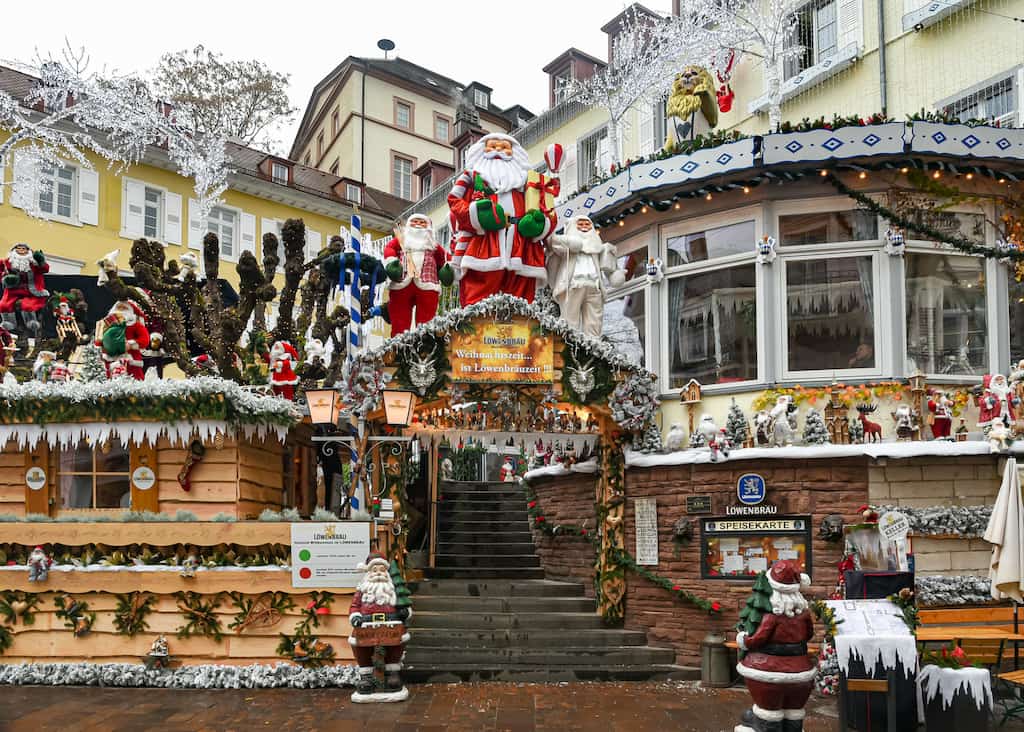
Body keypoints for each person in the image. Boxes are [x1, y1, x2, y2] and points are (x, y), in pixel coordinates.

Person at [447, 133, 556, 306]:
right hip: (483, 245)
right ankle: (478, 322)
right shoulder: (471, 177)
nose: (498, 150)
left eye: (505, 147)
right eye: (492, 146)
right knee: (478, 297)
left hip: (521, 248)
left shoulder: (529, 181)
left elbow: (548, 210)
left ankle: (519, 321)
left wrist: (540, 225)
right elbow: (454, 201)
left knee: (521, 301)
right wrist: (477, 215)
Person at [736, 560, 818, 732]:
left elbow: (758, 639)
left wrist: (743, 640)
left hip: (768, 671)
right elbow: (809, 634)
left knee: (769, 711)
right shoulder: (804, 613)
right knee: (794, 710)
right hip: (801, 671)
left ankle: (767, 726)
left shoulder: (772, 616)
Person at [546, 215, 621, 337]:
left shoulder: (597, 247)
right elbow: (551, 242)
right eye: (580, 225)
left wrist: (616, 274)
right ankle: (569, 344)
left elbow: (609, 266)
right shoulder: (566, 247)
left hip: (594, 287)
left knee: (594, 323)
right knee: (570, 321)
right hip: (573, 285)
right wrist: (571, 242)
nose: (584, 227)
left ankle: (594, 345)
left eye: (587, 224)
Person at [348, 552, 411, 697]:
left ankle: (392, 673)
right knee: (359, 643)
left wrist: (404, 612)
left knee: (396, 643)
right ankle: (366, 676)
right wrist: (355, 616)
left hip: (391, 622)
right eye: (374, 570)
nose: (378, 573)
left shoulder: (392, 589)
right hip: (366, 623)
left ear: (387, 572)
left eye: (382, 570)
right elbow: (355, 606)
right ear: (368, 572)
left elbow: (403, 603)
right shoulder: (362, 590)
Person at [383, 214, 453, 334]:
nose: (418, 224)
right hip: (402, 283)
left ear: (429, 227)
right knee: (399, 320)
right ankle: (399, 342)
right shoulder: (401, 241)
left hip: (428, 285)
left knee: (426, 322)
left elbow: (444, 258)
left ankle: (425, 340)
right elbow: (389, 248)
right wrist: (391, 261)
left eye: (422, 222)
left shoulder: (433, 245)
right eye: (415, 221)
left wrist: (447, 269)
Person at [0, 243, 49, 336]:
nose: (21, 250)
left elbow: (45, 269)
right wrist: (6, 279)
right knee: (4, 304)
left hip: (31, 291)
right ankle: (8, 322)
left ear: (28, 251)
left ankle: (31, 321)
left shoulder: (34, 263)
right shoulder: (7, 262)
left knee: (28, 305)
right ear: (14, 250)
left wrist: (41, 261)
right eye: (19, 248)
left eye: (24, 248)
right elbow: (1, 273)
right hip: (13, 290)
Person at [100, 300, 151, 380]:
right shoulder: (107, 324)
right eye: (119, 307)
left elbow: (145, 340)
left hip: (131, 361)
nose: (120, 310)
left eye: (124, 308)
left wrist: (131, 344)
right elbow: (99, 341)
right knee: (111, 381)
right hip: (112, 360)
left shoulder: (135, 325)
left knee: (135, 380)